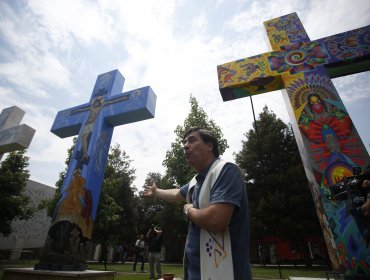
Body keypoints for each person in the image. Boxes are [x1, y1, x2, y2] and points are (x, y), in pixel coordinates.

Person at [143, 127, 252, 280]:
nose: (185, 145)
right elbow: (176, 193)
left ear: (210, 145)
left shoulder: (226, 171)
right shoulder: (196, 181)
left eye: (192, 140)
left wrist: (189, 210)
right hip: (195, 272)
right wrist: (157, 192)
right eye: (184, 142)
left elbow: (216, 220)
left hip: (226, 273)